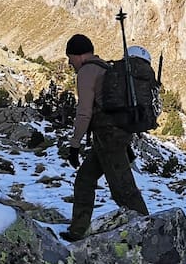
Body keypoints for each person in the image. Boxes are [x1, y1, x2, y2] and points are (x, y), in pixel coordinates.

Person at [61, 33, 149, 241]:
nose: (69, 62)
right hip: (113, 136)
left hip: (108, 137)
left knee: (123, 190)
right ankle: (78, 231)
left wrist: (74, 145)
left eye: (70, 57)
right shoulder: (105, 68)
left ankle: (148, 231)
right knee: (85, 179)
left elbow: (84, 113)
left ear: (79, 55)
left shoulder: (86, 72)